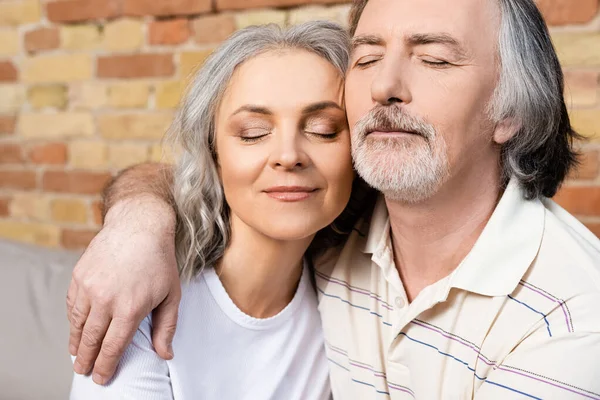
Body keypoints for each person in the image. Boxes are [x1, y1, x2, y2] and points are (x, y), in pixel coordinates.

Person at [67, 0, 600, 398]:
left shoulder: (570, 316)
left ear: (512, 112)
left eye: (435, 60)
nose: (385, 85)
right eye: (366, 59)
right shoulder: (341, 235)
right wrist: (136, 222)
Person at [69, 20, 362, 398]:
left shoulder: (349, 307)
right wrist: (135, 219)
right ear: (214, 154)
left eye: (324, 129)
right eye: (254, 133)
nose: (289, 156)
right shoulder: (140, 298)